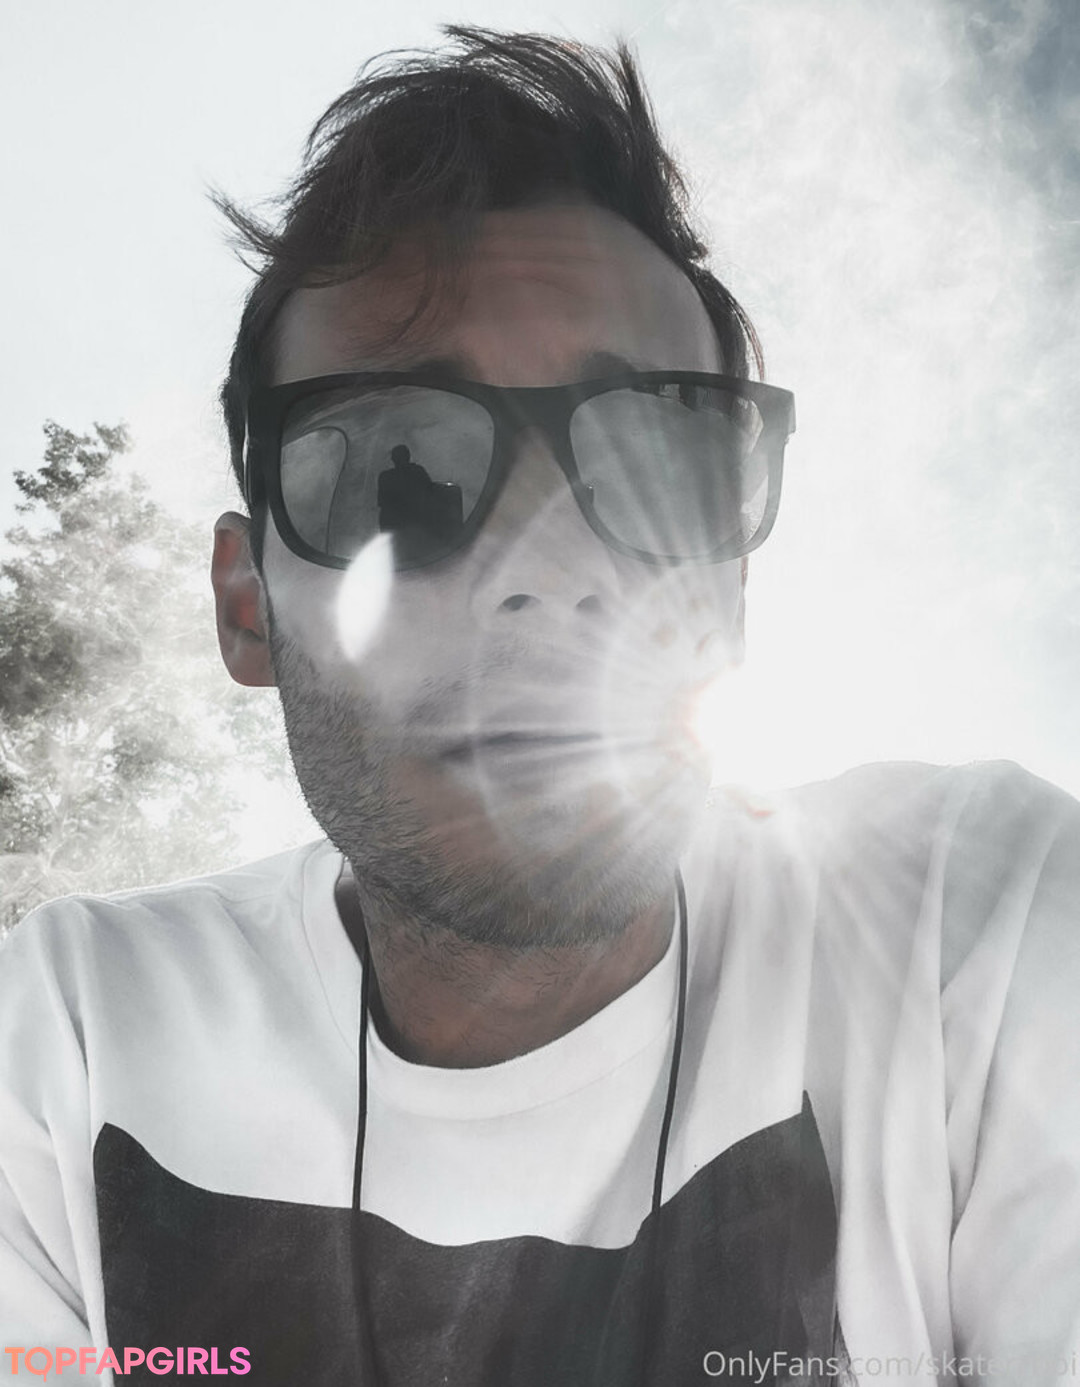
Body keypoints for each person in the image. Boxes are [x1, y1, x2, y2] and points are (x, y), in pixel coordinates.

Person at [2, 26, 1079, 1387]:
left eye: (662, 462)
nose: (552, 572)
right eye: (395, 474)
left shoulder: (977, 928)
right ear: (248, 607)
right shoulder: (70, 1041)